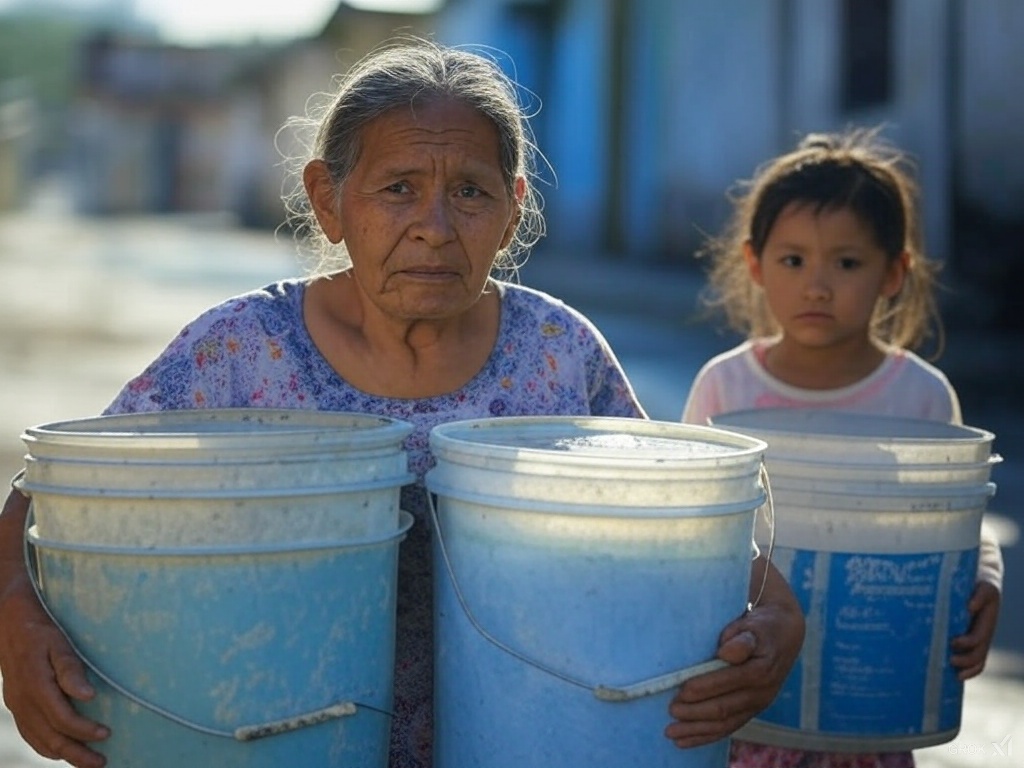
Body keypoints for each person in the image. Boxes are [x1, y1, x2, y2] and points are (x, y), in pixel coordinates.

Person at [0, 37, 804, 768]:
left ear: (514, 204)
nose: (434, 226)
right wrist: (16, 615)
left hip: (526, 738)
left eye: (470, 192)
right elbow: (54, 490)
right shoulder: (241, 351)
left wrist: (773, 611)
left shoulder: (558, 353)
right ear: (328, 200)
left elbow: (668, 517)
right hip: (281, 738)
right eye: (397, 188)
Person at [681, 127, 1004, 768]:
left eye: (847, 263)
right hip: (752, 704)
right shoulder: (726, 384)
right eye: (793, 260)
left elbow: (957, 522)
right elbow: (694, 525)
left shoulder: (919, 396)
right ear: (754, 264)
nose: (818, 286)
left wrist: (987, 578)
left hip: (871, 707)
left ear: (894, 273)